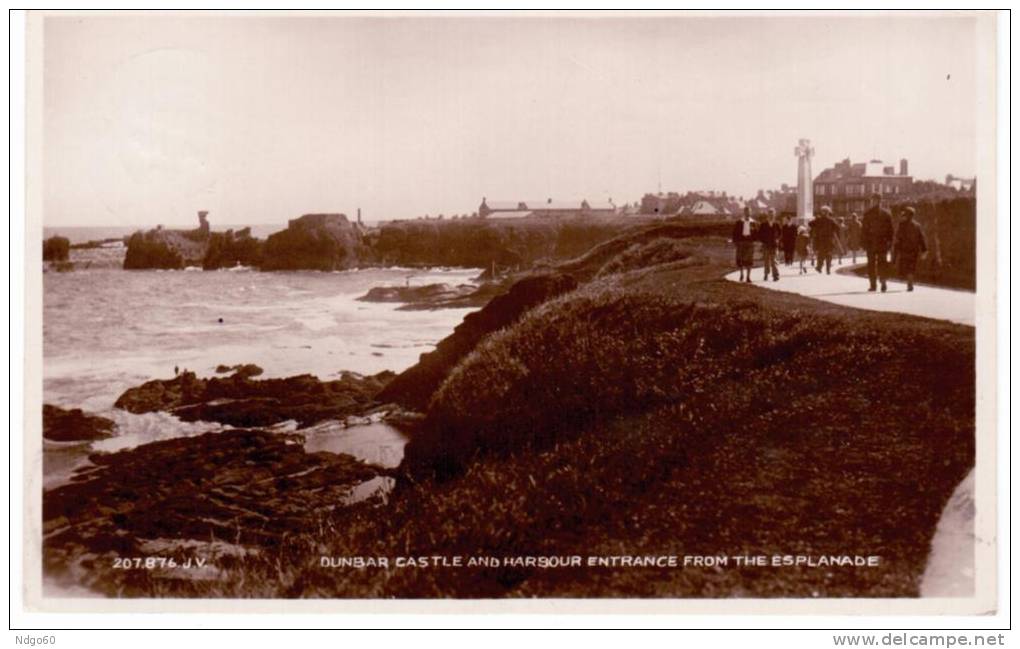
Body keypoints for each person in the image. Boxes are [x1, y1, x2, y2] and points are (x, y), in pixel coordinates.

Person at [861, 193, 895, 292]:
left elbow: (864, 231)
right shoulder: (886, 214)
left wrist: (863, 243)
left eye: (874, 200)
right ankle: (881, 282)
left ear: (877, 201)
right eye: (874, 200)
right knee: (881, 263)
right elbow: (891, 231)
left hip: (873, 243)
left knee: (872, 264)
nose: (874, 202)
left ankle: (874, 284)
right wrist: (890, 242)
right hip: (881, 243)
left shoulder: (868, 214)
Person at [891, 206, 927, 291]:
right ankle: (910, 283)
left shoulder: (902, 225)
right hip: (914, 251)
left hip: (904, 250)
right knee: (911, 267)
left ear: (907, 215)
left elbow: (898, 239)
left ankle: (909, 282)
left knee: (906, 266)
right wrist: (924, 250)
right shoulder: (917, 226)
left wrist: (895, 253)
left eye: (905, 215)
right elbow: (921, 238)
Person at [811, 206, 840, 275]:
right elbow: (837, 228)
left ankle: (819, 267)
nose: (822, 213)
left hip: (822, 240)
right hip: (829, 240)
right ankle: (828, 269)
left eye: (823, 211)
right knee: (828, 255)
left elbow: (810, 224)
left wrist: (816, 224)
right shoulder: (831, 220)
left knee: (821, 254)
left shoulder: (819, 220)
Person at [731, 207, 756, 282]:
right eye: (746, 212)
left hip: (749, 242)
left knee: (749, 260)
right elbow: (735, 233)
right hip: (741, 242)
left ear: (750, 213)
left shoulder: (753, 222)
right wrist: (736, 242)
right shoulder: (739, 222)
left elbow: (756, 233)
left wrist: (754, 240)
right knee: (740, 259)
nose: (747, 213)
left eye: (749, 212)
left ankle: (748, 277)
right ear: (744, 213)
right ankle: (741, 274)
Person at [757, 208, 781, 281]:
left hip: (774, 245)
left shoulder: (776, 224)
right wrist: (763, 241)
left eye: (772, 214)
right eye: (770, 214)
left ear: (774, 215)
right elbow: (759, 234)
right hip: (766, 245)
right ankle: (766, 274)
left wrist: (777, 239)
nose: (771, 216)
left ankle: (775, 275)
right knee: (766, 261)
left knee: (774, 260)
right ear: (768, 215)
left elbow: (780, 233)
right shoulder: (763, 224)